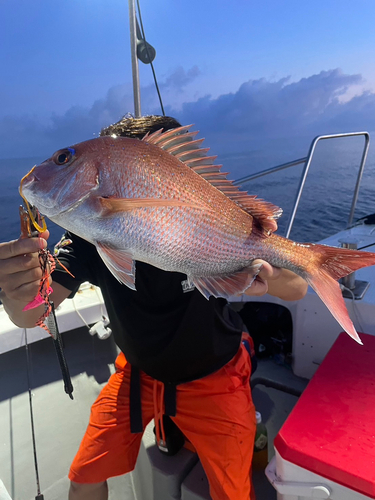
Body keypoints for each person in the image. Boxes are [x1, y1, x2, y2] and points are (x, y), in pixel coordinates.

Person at [0, 115, 307, 500]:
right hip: (138, 375)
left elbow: (296, 288)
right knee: (83, 479)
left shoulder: (209, 220)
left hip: (215, 376)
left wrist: (269, 277)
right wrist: (14, 291)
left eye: (64, 159)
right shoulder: (89, 238)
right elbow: (30, 314)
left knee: (232, 493)